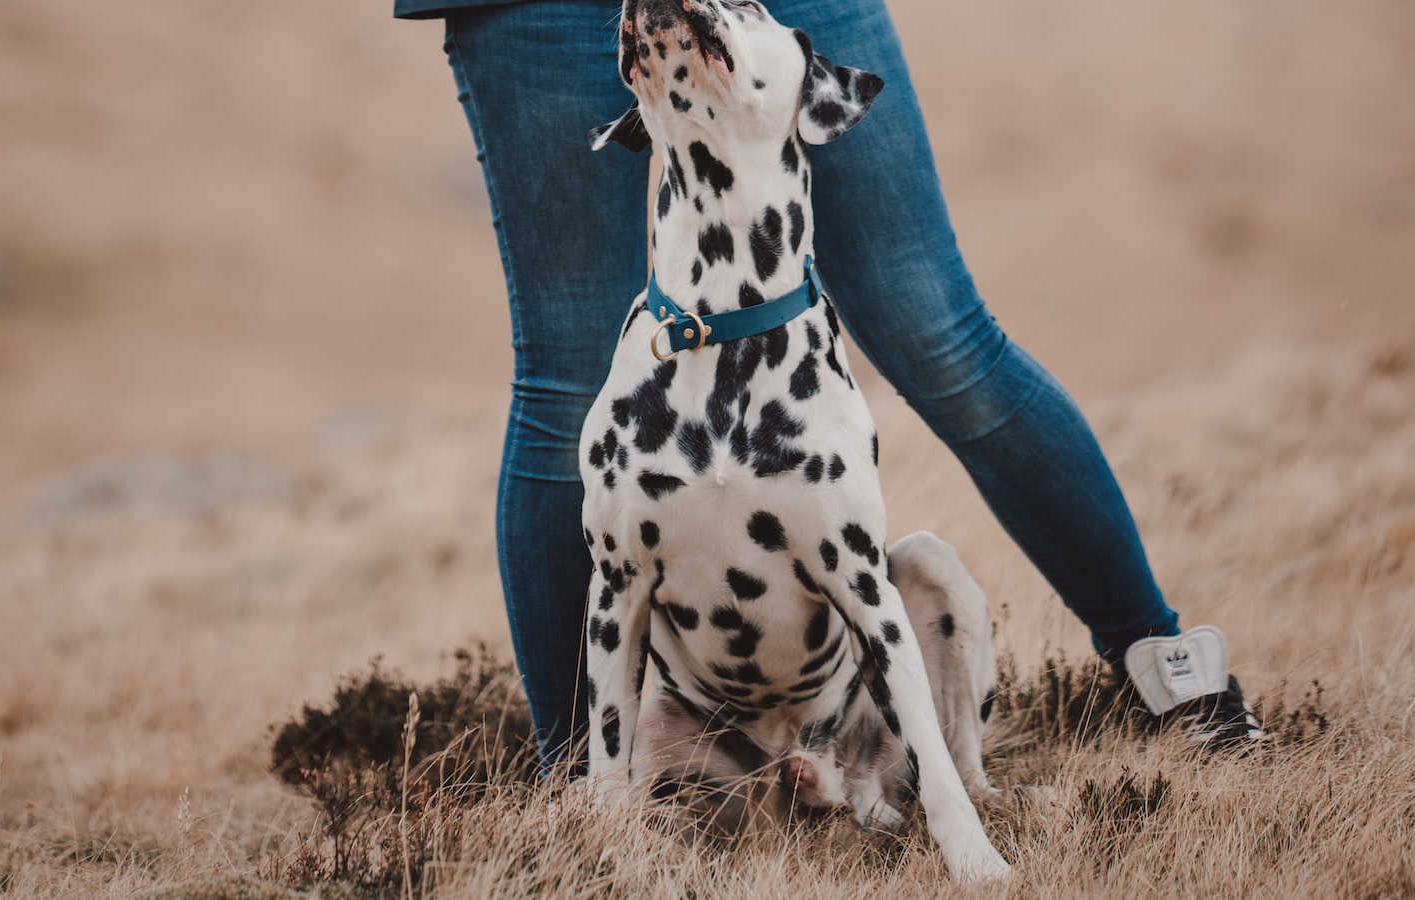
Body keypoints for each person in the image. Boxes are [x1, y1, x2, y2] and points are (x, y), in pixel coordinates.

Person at [392, 0, 1265, 767]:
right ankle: (582, 787)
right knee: (568, 384)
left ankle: (1166, 668)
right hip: (535, 6)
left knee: (940, 335)